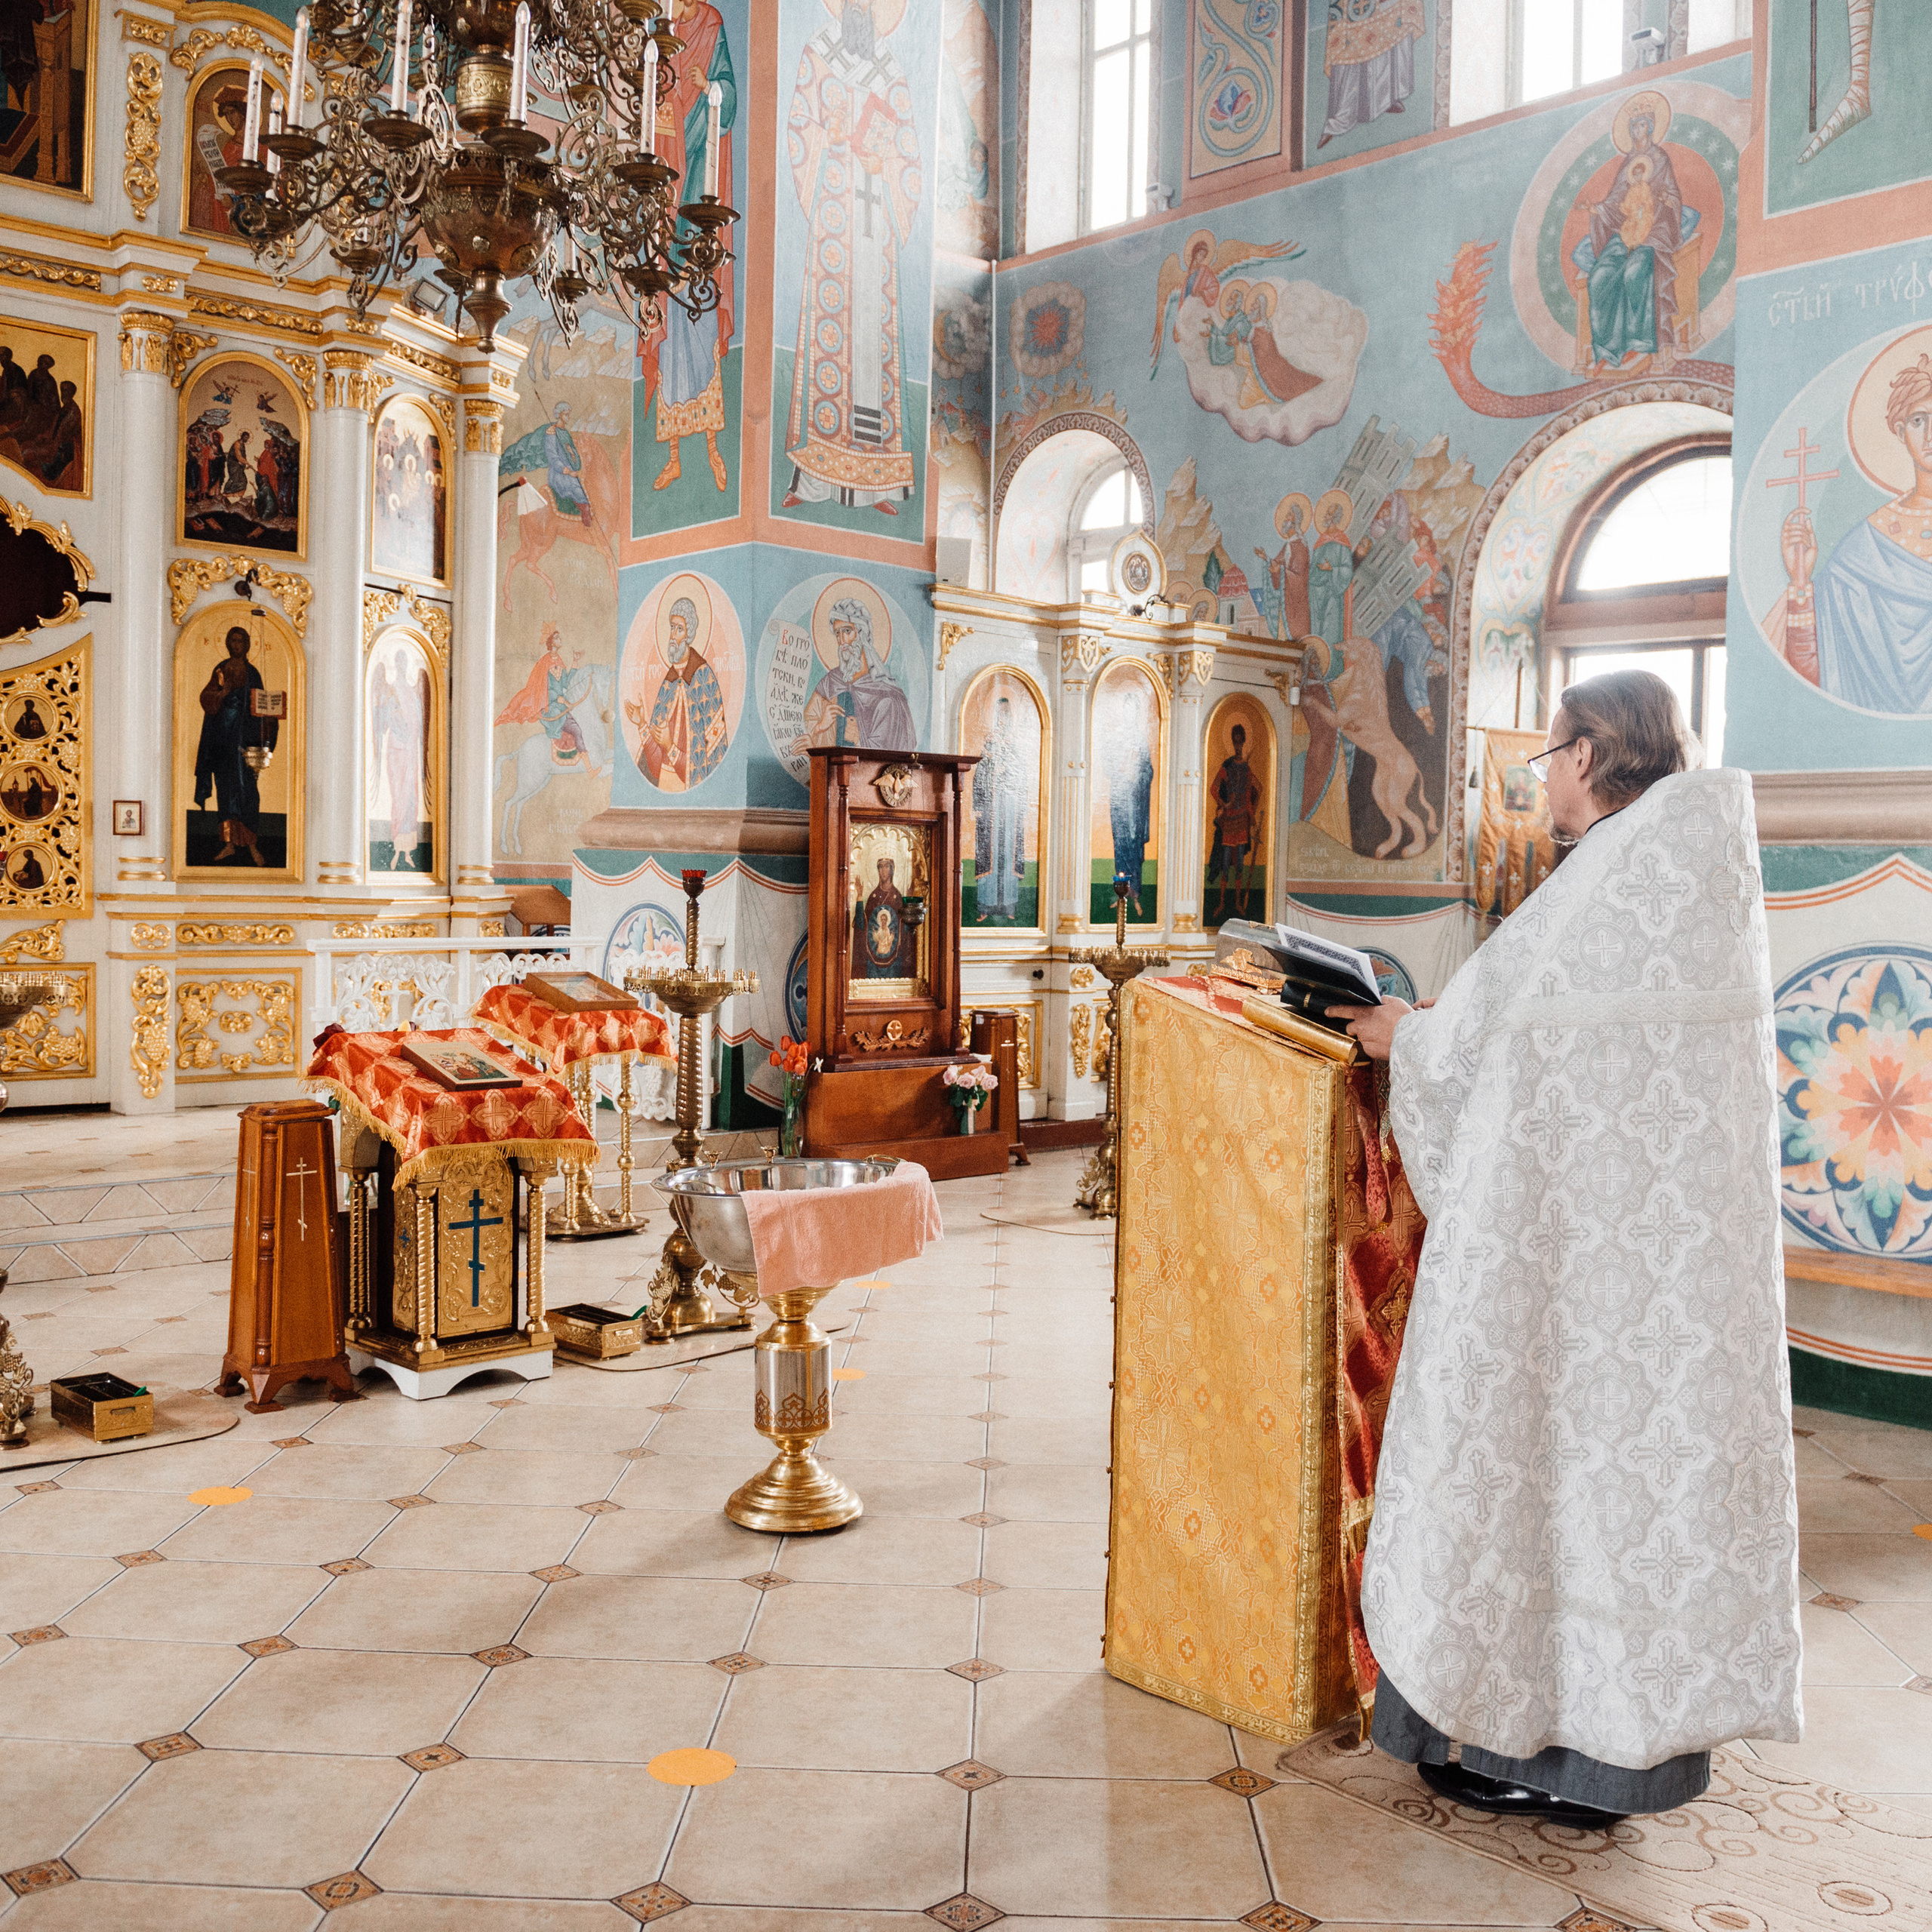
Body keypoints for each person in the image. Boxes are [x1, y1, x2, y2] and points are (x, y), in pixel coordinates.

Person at [1327, 669, 1801, 1824]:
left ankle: (1534, 1751)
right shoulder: (1694, 870)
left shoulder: (1611, 876)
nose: (1541, 781)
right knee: (1630, 1505)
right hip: (1665, 1278)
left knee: (1538, 1477)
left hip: (1576, 1265)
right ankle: (1615, 1765)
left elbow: (1492, 1046)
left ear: (1588, 756)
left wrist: (1405, 1039)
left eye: (1548, 757)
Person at [193, 625, 277, 865]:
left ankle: (252, 844)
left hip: (245, 741)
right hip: (222, 740)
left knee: (247, 791)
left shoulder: (253, 674)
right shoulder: (221, 670)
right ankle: (229, 844)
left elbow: (261, 704)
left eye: (241, 641)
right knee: (225, 790)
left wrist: (271, 715)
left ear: (247, 645)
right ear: (228, 644)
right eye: (233, 640)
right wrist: (223, 693)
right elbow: (207, 698)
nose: (236, 645)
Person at [794, 598, 915, 753]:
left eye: (847, 631)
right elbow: (807, 723)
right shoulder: (830, 681)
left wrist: (858, 739)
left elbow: (891, 754)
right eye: (837, 633)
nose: (842, 641)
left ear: (862, 634)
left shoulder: (888, 696)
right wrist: (820, 726)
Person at [632, 595, 728, 790]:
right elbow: (655, 763)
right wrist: (642, 724)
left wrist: (670, 746)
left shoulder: (704, 679)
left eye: (680, 629)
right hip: (664, 785)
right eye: (672, 627)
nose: (673, 636)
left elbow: (711, 756)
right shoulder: (669, 683)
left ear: (689, 635)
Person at [971, 693, 1026, 922]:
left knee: (1008, 855)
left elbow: (1022, 777)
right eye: (999, 714)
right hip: (991, 808)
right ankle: (985, 906)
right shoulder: (989, 743)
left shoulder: (1015, 745)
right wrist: (977, 804)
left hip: (1010, 809)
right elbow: (979, 774)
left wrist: (1009, 769)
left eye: (1006, 714)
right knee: (989, 855)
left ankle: (1009, 905)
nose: (1003, 718)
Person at [1207, 721, 1261, 922]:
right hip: (1229, 822)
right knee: (1225, 864)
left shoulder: (1246, 769)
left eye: (1240, 742)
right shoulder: (1227, 766)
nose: (1238, 745)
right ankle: (1222, 903)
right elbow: (1214, 789)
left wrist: (1252, 815)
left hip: (1241, 822)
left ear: (1244, 742)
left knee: (1239, 866)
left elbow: (1254, 791)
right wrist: (1224, 804)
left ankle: (1238, 903)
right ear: (1232, 742)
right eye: (1235, 742)